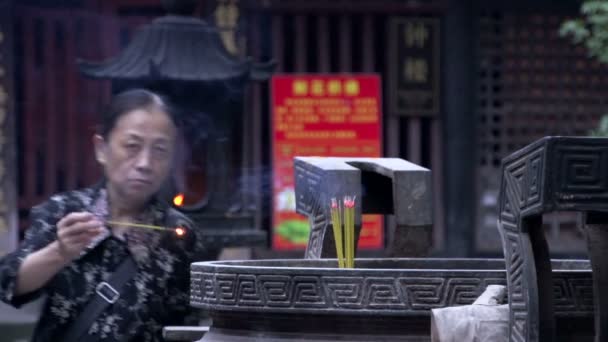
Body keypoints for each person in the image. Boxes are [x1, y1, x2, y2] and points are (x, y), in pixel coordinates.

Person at [0, 88, 204, 341]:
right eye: (132, 146)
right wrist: (60, 252)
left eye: (159, 150)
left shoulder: (179, 234)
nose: (145, 163)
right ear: (101, 148)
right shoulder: (63, 211)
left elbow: (187, 323)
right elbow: (10, 284)